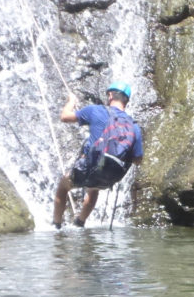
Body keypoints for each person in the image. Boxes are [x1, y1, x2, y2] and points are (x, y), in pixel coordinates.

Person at [52, 81, 143, 229]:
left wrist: (71, 102)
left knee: (64, 185)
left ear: (110, 95)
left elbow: (64, 117)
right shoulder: (134, 126)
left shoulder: (96, 110)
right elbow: (138, 159)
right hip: (111, 177)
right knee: (94, 188)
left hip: (90, 168)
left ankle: (56, 225)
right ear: (126, 101)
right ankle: (80, 222)